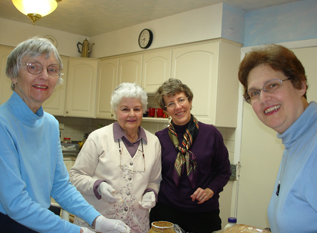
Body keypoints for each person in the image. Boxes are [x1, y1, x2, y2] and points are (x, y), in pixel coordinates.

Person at [0, 37, 130, 233]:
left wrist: (97, 220)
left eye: (51, 69)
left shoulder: (50, 124)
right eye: (33, 67)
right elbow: (16, 203)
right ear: (13, 74)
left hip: (41, 221)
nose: (44, 76)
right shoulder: (3, 124)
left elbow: (60, 186)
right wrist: (76, 231)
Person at [238, 44, 317, 232]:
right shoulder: (295, 141)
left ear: (300, 84)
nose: (263, 98)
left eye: (272, 85)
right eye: (255, 93)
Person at [69, 82, 162, 233]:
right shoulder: (98, 138)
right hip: (99, 225)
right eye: (125, 109)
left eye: (137, 109)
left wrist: (151, 192)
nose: (131, 114)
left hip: (136, 226)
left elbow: (154, 180)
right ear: (115, 111)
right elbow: (75, 176)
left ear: (143, 111)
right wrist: (97, 186)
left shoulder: (153, 143)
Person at [149, 78, 231, 233]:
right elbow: (152, 176)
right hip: (166, 212)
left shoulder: (211, 134)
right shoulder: (159, 138)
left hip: (203, 214)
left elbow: (224, 171)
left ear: (190, 101)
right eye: (171, 103)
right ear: (166, 109)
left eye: (181, 100)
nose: (178, 107)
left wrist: (210, 190)